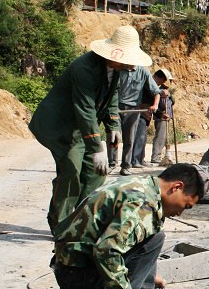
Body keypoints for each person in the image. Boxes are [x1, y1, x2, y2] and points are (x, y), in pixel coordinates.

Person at [28, 25, 152, 234]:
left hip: (82, 127)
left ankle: (82, 220)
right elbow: (85, 109)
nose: (131, 64)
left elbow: (113, 98)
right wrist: (96, 148)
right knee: (71, 171)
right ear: (115, 54)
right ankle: (61, 224)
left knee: (96, 173)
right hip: (61, 126)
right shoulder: (84, 68)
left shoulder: (117, 70)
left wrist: (113, 125)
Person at [51, 163, 209, 289]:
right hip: (76, 277)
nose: (180, 213)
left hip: (69, 267)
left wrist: (146, 272)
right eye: (186, 205)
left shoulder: (141, 185)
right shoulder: (142, 203)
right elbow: (106, 250)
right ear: (176, 187)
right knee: (155, 237)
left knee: (153, 233)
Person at [113, 46, 161, 176]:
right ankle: (111, 163)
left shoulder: (143, 72)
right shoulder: (118, 69)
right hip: (116, 107)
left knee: (129, 139)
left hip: (134, 109)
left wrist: (155, 105)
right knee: (114, 136)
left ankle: (125, 166)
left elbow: (156, 92)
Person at [150, 69, 175, 165]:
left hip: (167, 116)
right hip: (161, 116)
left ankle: (161, 155)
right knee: (160, 137)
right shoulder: (158, 89)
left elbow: (170, 102)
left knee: (164, 137)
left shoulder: (167, 90)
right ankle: (155, 156)